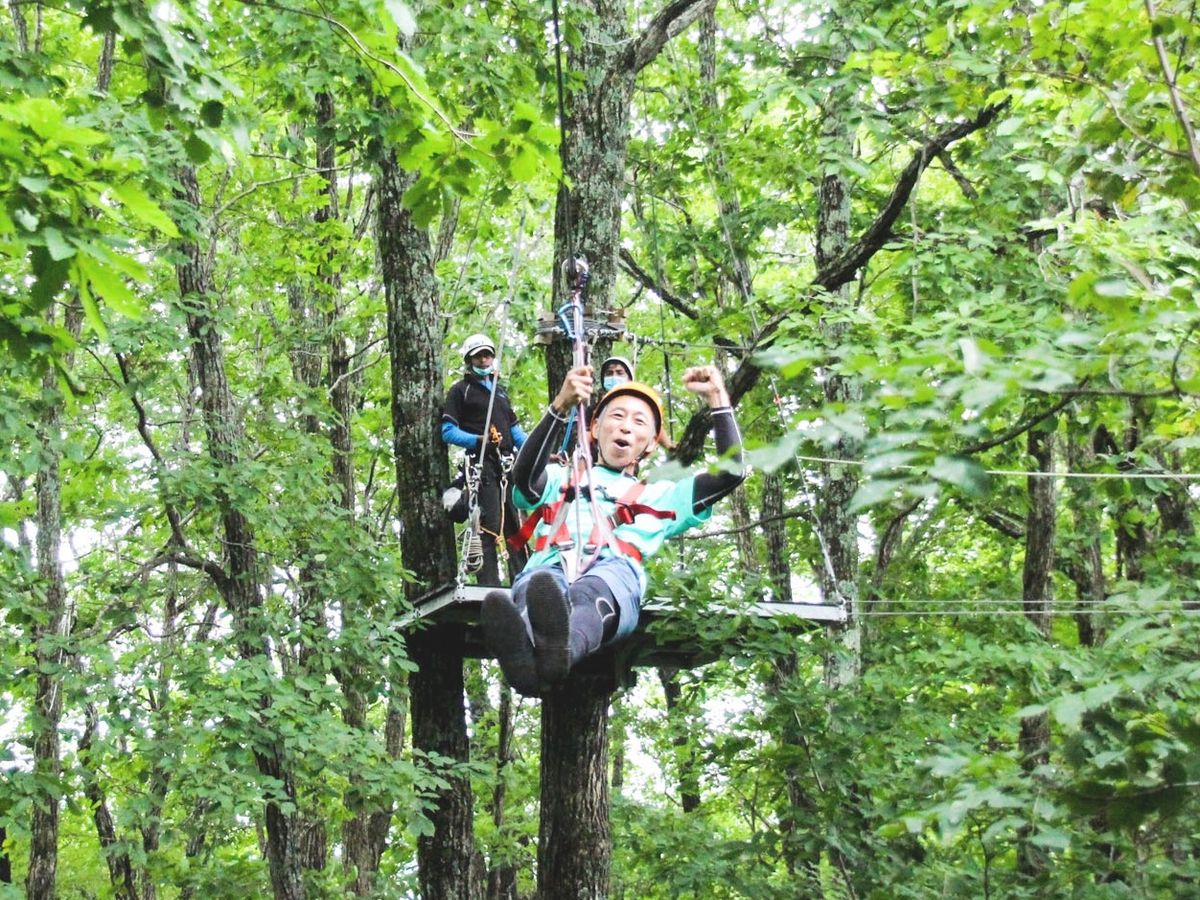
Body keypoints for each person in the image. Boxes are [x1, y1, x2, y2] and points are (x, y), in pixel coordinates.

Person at [480, 363, 744, 696]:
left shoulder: (661, 495)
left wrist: (719, 397)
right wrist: (559, 407)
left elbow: (731, 473)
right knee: (540, 588)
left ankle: (548, 659)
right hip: (549, 567)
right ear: (594, 427)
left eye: (639, 422)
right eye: (617, 416)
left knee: (589, 593)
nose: (626, 427)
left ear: (649, 444)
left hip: (613, 576)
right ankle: (535, 667)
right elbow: (524, 481)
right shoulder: (561, 478)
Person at [441, 333, 528, 587]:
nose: (484, 359)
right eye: (478, 356)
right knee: (488, 526)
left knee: (516, 527)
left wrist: (538, 451)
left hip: (507, 469)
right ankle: (489, 587)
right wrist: (479, 441)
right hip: (482, 468)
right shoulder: (461, 391)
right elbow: (448, 431)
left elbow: (516, 433)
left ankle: (523, 581)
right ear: (469, 360)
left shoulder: (500, 394)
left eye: (487, 354)